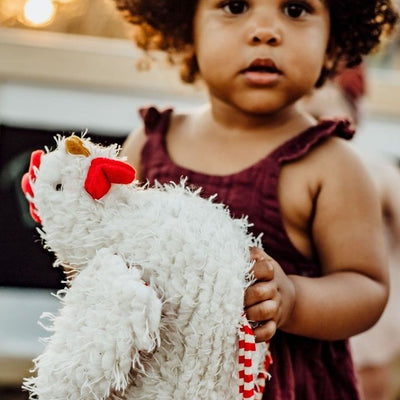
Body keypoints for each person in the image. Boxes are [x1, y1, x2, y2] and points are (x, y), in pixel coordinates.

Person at [115, 0, 399, 398]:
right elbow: (106, 252)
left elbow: (366, 287)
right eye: (235, 6)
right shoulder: (148, 144)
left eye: (295, 10)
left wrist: (294, 300)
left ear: (332, 43)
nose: (265, 30)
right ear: (187, 30)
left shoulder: (332, 165)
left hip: (284, 385)